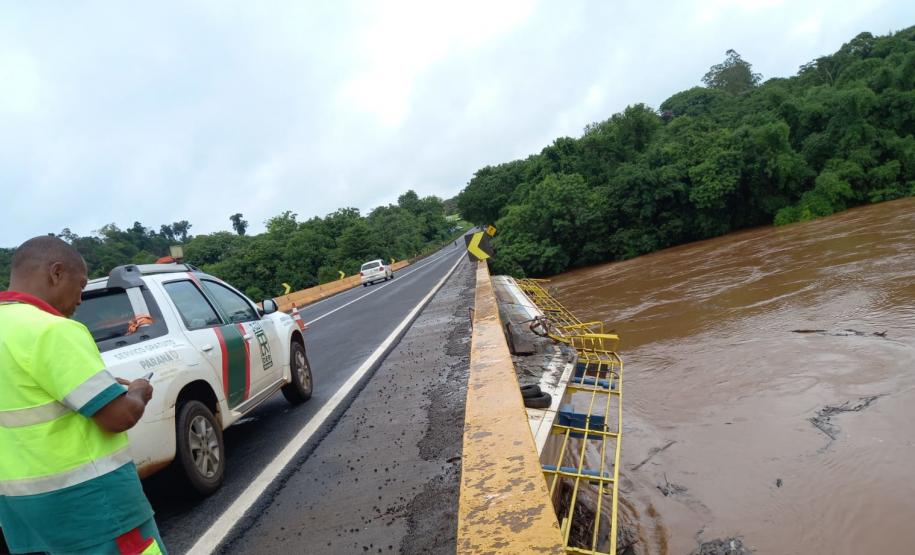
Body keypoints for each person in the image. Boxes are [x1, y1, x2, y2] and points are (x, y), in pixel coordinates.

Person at [0, 236, 165, 555]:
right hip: (94, 507)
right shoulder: (52, 330)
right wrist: (137, 391)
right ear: (56, 273)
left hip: (22, 516)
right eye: (81, 285)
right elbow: (120, 416)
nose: (80, 299)